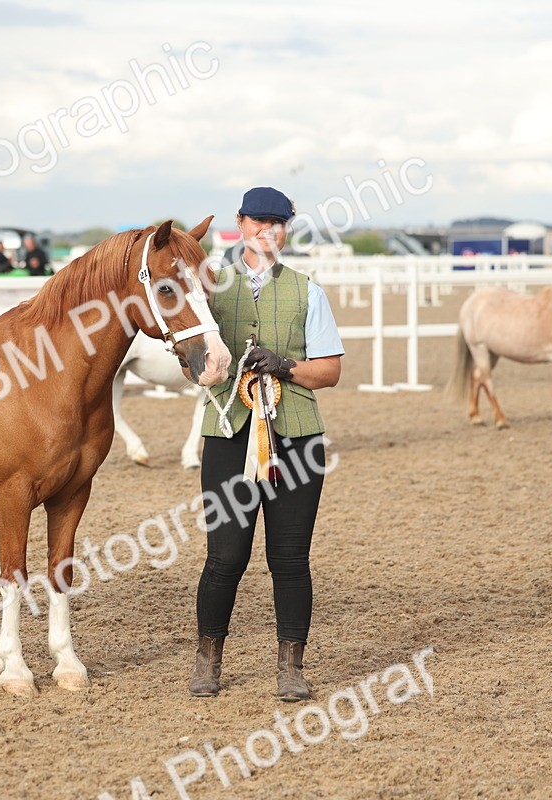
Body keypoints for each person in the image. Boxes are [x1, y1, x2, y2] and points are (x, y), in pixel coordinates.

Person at [189, 186, 344, 701]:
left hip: (296, 440)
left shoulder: (307, 291)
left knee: (290, 557)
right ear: (241, 223)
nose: (268, 231)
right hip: (229, 434)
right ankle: (208, 662)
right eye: (259, 222)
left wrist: (285, 366)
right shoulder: (209, 285)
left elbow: (330, 372)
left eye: (277, 224)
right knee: (225, 557)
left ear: (287, 229)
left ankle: (291, 667)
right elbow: (189, 348)